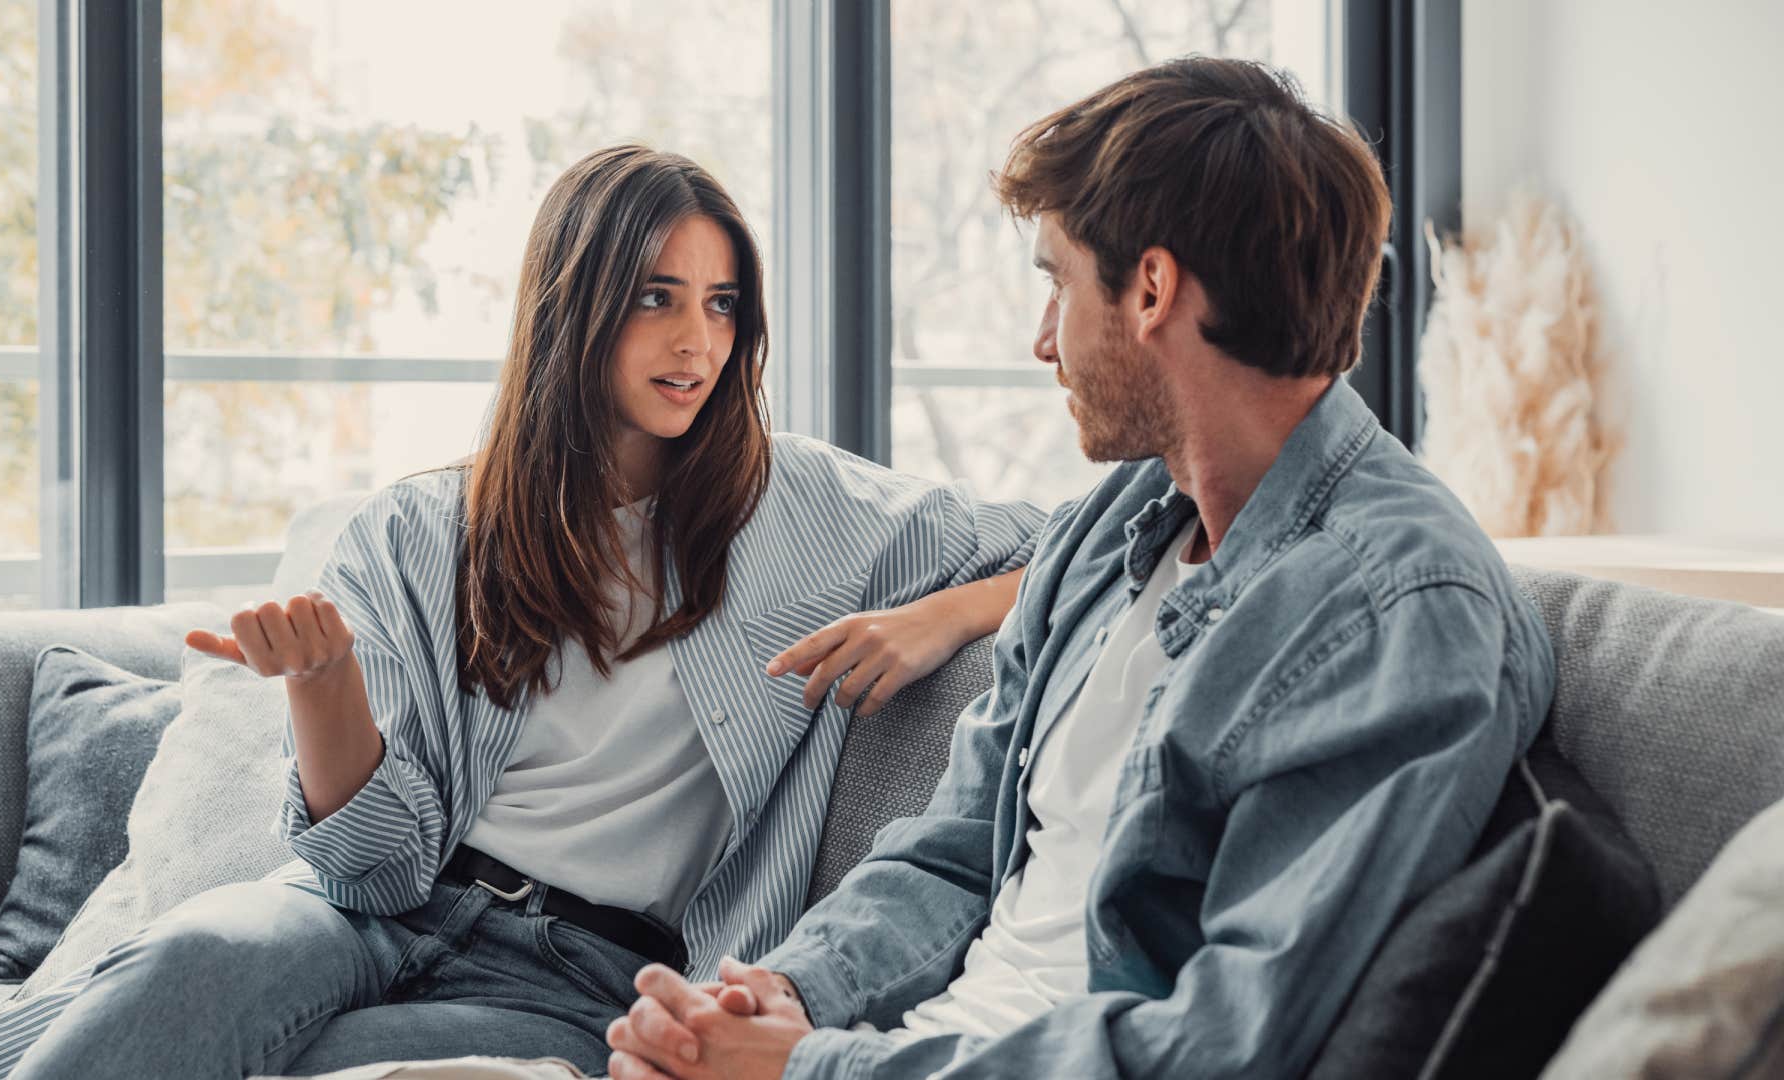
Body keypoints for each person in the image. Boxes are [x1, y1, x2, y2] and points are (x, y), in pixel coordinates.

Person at [0, 145, 1045, 1080]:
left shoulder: (814, 511)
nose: (697, 342)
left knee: (334, 1064)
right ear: (576, 301)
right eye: (656, 298)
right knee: (192, 965)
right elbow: (371, 868)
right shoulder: (418, 532)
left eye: (721, 305)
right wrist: (327, 688)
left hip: (583, 973)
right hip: (371, 912)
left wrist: (947, 615)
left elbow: (1088, 538)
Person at [604, 58, 1558, 1080]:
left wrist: (807, 1070)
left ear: (1151, 289)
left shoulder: (1398, 611)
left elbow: (1225, 1047)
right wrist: (776, 999)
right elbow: (958, 845)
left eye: (1058, 282)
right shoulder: (1110, 531)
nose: (1042, 340)